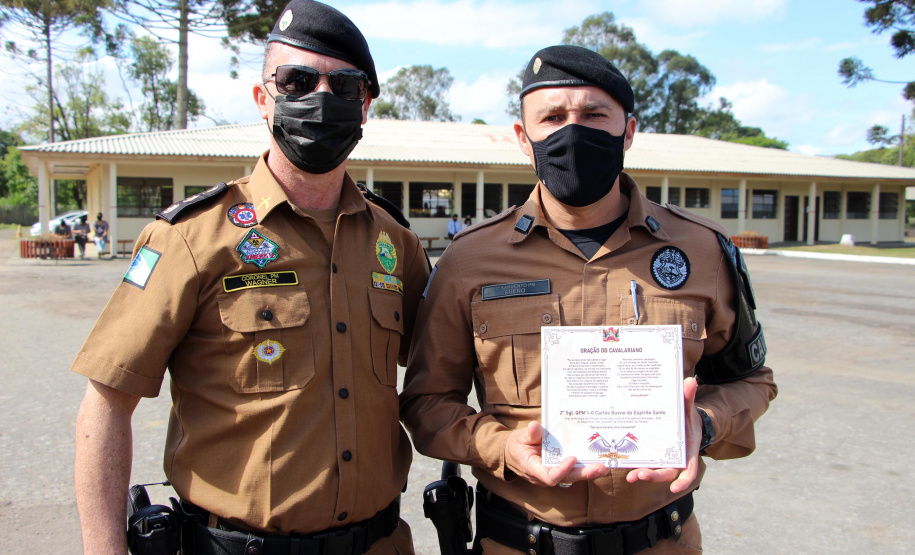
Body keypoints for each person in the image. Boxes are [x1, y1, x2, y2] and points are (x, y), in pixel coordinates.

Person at [73, 1, 428, 553]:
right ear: (264, 99)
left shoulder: (394, 243)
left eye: (345, 85)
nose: (321, 99)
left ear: (366, 105)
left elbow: (448, 367)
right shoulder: (191, 238)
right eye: (297, 80)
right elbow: (107, 400)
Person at [401, 45, 777, 555]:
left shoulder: (704, 251)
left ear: (628, 130)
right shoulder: (470, 260)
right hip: (517, 542)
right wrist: (503, 447)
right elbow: (427, 403)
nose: (571, 131)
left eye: (594, 114)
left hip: (660, 542)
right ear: (522, 137)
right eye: (552, 117)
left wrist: (704, 424)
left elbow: (752, 381)